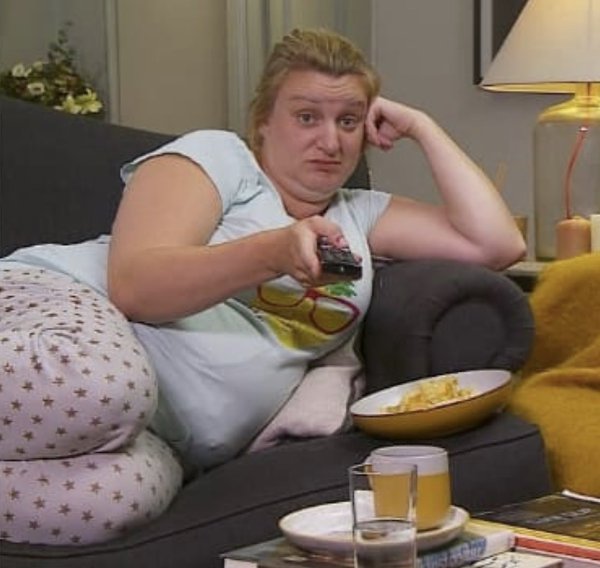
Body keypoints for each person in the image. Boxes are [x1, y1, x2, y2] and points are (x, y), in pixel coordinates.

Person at [0, 28, 525, 545]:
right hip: (60, 312)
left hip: (158, 436)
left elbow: (497, 245)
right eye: (306, 117)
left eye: (348, 121)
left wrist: (422, 127)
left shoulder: (358, 214)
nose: (331, 141)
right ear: (263, 124)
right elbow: (135, 286)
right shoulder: (221, 159)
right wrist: (272, 252)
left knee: (108, 503)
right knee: (105, 388)